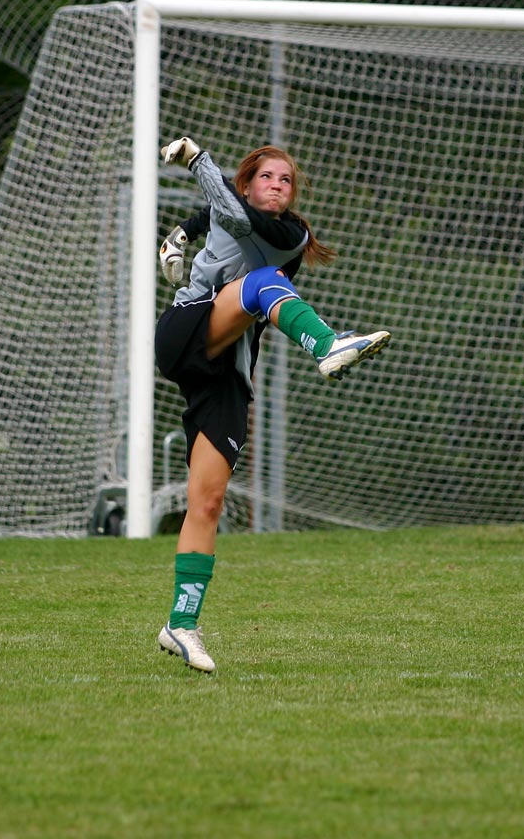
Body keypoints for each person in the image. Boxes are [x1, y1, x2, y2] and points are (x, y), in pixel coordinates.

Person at [153, 136, 390, 674]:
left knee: (206, 503)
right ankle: (327, 345)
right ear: (247, 182)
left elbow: (234, 220)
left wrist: (197, 160)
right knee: (263, 281)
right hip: (185, 332)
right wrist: (175, 239)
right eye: (267, 177)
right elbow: (211, 213)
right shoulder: (234, 206)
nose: (277, 186)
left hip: (226, 373)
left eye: (285, 181)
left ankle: (180, 624)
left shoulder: (291, 233)